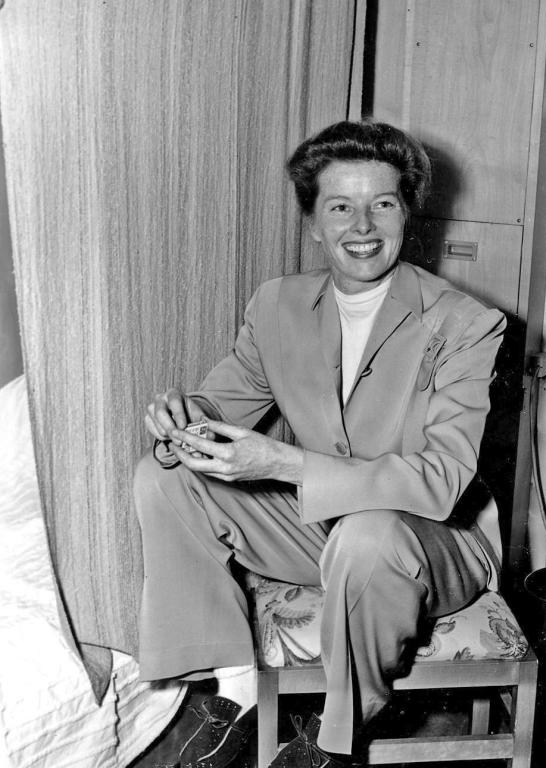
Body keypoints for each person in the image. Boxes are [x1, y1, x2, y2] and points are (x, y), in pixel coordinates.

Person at [134, 120, 506, 768]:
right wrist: (186, 419)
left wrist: (285, 462)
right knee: (163, 477)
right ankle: (232, 694)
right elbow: (226, 401)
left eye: (382, 203)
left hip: (431, 546)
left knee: (368, 537)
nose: (362, 226)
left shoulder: (467, 323)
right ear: (312, 222)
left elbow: (442, 480)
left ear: (407, 214)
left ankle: (333, 742)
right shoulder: (276, 305)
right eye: (339, 207)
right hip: (324, 535)